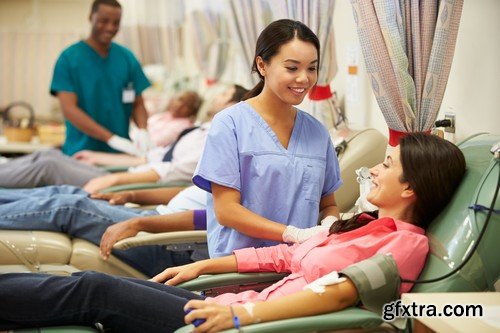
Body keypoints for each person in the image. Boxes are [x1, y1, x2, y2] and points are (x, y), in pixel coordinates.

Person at [0, 132, 467, 333]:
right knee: (105, 285)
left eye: (387, 165)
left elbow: (340, 296)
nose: (373, 170)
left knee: (94, 287)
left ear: (409, 186)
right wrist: (202, 264)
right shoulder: (360, 225)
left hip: (244, 325)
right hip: (226, 308)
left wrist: (243, 318)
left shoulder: (406, 243)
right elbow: (279, 258)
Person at [192, 19, 342, 258]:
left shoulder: (317, 132)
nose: (304, 78)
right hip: (240, 272)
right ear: (262, 65)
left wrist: (329, 224)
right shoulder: (230, 124)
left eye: (312, 68)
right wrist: (291, 234)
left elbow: (328, 204)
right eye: (292, 68)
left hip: (299, 267)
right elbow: (227, 211)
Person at [0, 86, 243, 189]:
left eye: (223, 94)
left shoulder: (212, 139)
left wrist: (115, 178)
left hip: (133, 183)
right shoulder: (198, 130)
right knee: (49, 154)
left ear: (234, 105)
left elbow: (172, 171)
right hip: (131, 172)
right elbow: (150, 157)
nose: (215, 97)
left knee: (49, 165)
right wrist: (100, 157)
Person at [50, 0, 151, 157]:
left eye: (116, 23)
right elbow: (69, 109)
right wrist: (110, 138)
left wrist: (143, 131)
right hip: (81, 152)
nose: (110, 27)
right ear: (91, 17)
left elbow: (138, 103)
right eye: (104, 21)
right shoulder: (69, 59)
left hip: (120, 155)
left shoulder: (127, 58)